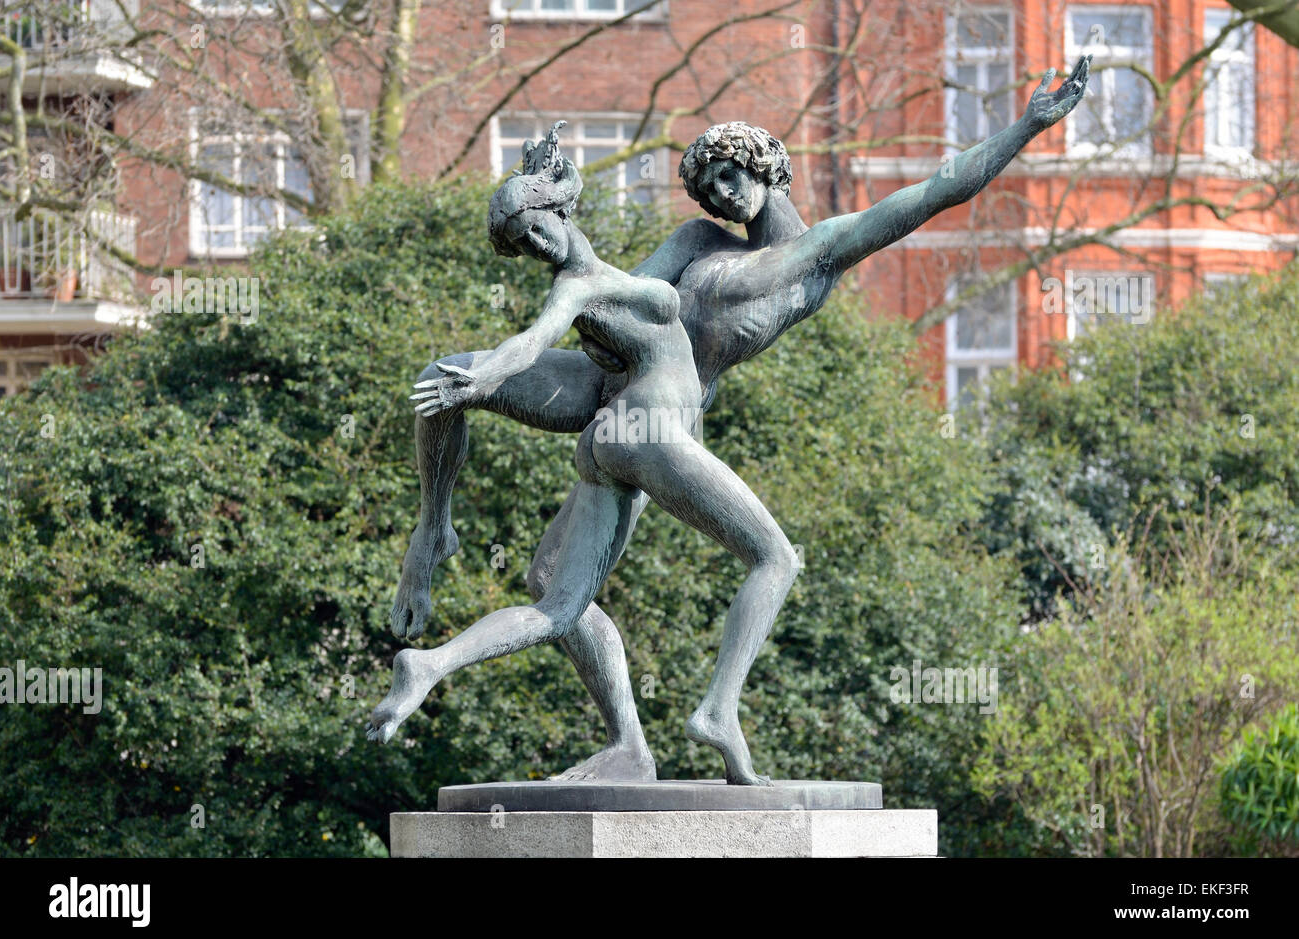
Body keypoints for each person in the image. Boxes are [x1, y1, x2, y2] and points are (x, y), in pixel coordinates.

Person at [389, 57, 1091, 780]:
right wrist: (551, 287)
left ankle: (661, 730)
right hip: (615, 384)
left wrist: (1027, 126)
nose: (723, 193)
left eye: (730, 174)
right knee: (445, 380)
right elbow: (616, 291)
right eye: (711, 184)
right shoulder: (698, 241)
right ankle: (433, 531)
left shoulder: (819, 254)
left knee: (579, 586)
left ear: (767, 166)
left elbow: (937, 189)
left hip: (654, 411)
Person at [369, 123, 800, 786]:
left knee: (556, 602)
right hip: (642, 429)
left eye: (536, 229)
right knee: (774, 556)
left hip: (608, 433)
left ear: (560, 211)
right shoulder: (585, 285)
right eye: (524, 245)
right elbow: (534, 339)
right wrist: (490, 373)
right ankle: (718, 710)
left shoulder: (622, 272)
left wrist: (1026, 126)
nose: (537, 246)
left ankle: (435, 664)